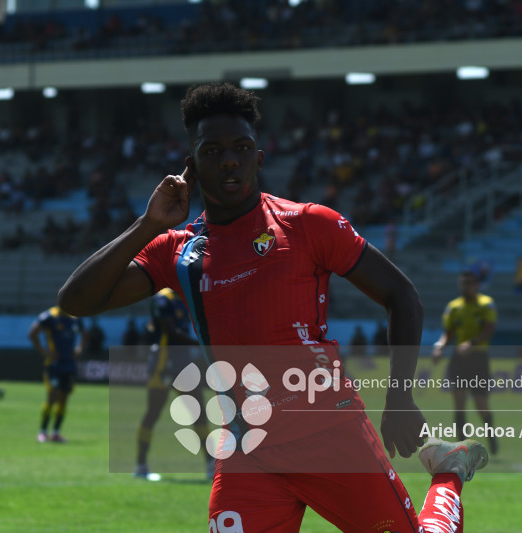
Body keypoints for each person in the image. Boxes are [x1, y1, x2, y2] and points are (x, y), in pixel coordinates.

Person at [58, 82, 487, 532]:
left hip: (329, 434)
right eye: (213, 150)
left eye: (242, 148)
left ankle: (447, 474)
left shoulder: (307, 225)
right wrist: (147, 225)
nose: (229, 159)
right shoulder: (178, 252)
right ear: (192, 165)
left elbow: (402, 296)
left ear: (258, 159)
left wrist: (399, 397)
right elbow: (76, 300)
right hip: (248, 450)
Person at [134, 288, 214, 481]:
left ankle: (212, 466)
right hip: (164, 363)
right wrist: (201, 344)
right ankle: (141, 465)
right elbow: (170, 332)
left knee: (199, 413)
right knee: (153, 412)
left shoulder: (184, 297)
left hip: (183, 363)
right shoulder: (163, 299)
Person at [432, 270, 499, 455]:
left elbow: (489, 329)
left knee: (480, 403)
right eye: (462, 283)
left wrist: (472, 343)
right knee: (459, 401)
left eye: (469, 283)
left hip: (478, 358)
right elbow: (449, 332)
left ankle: (491, 438)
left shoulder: (486, 304)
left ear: (477, 285)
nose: (465, 287)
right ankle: (462, 448)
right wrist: (440, 347)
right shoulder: (454, 307)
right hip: (459, 359)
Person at [28, 305, 87, 443]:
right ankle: (42, 431)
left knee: (64, 398)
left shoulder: (75, 319)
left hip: (69, 365)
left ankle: (55, 432)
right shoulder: (49, 317)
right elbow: (32, 334)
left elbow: (85, 334)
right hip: (54, 365)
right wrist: (44, 351)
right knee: (52, 396)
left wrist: (79, 350)